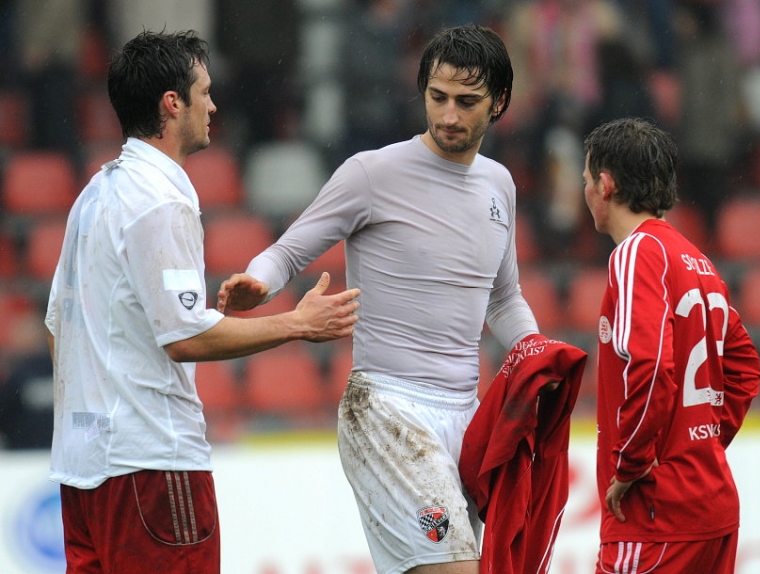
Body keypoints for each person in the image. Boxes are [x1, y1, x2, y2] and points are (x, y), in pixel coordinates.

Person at [218, 24, 550, 574]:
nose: (448, 115)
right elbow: (287, 252)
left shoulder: (499, 184)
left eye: (467, 102)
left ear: (500, 102)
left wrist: (537, 356)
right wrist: (259, 283)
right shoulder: (371, 173)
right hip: (388, 409)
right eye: (437, 97)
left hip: (467, 416)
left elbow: (504, 296)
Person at [45, 30, 360, 574]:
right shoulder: (159, 200)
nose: (212, 106)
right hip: (152, 467)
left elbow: (59, 327)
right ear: (173, 103)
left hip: (84, 471)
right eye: (204, 92)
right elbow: (186, 337)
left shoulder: (94, 195)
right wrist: (298, 323)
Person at [582, 117, 760, 574]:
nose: (584, 190)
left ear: (605, 185)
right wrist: (701, 443)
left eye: (586, 179)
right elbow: (745, 367)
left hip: (654, 513)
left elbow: (649, 363)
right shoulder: (697, 260)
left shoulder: (635, 253)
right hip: (711, 506)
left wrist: (632, 463)